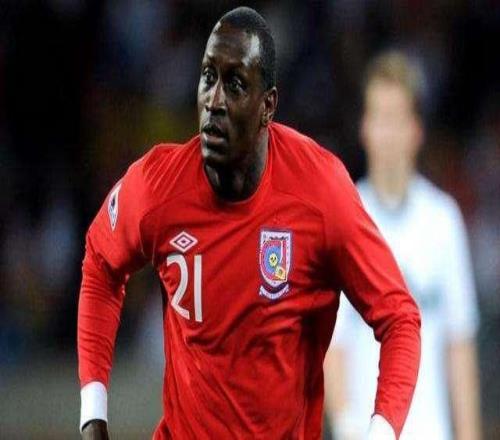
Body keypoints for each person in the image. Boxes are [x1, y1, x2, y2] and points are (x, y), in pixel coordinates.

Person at [78, 8, 420, 440]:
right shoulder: (156, 187)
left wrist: (381, 431)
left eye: (235, 83)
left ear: (267, 106)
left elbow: (399, 317)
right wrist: (93, 414)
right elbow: (101, 264)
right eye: (208, 77)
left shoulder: (319, 192)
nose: (214, 101)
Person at [324, 51, 481, 440]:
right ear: (364, 127)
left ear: (416, 129)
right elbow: (332, 344)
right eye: (380, 117)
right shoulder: (343, 216)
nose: (388, 133)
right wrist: (345, 426)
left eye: (397, 118)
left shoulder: (443, 221)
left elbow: (459, 345)